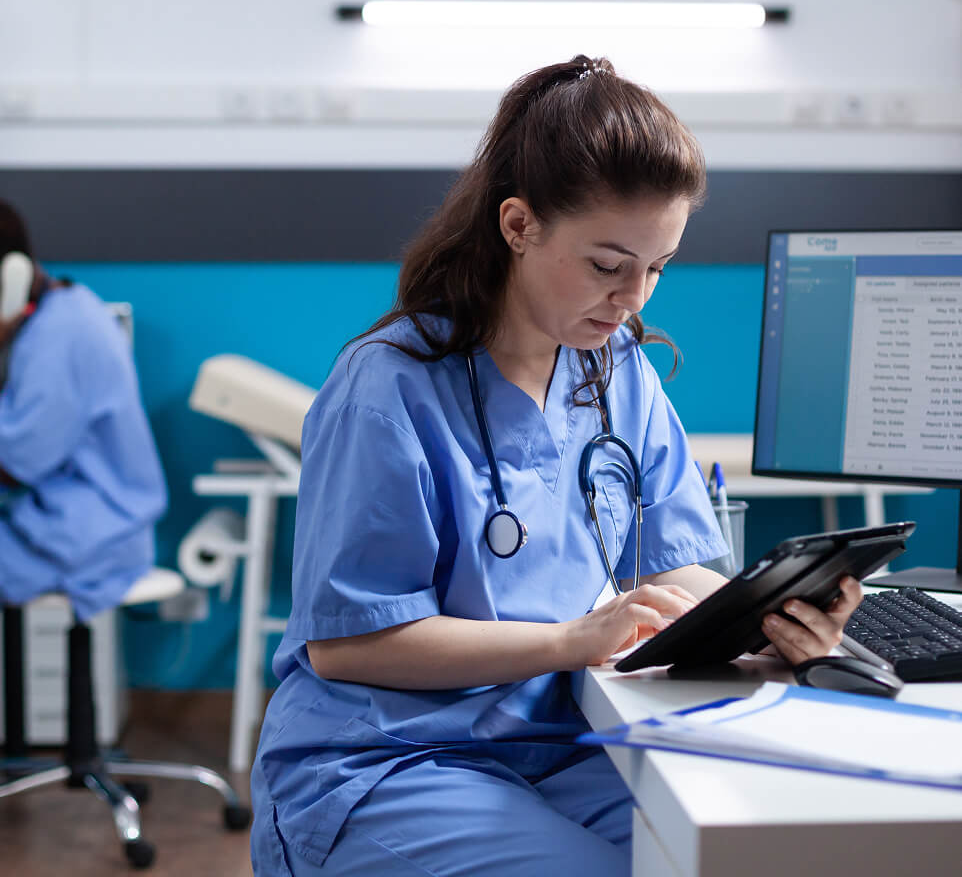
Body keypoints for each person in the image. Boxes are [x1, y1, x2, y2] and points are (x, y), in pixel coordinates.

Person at [250, 56, 863, 876]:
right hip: (388, 762)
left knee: (750, 850)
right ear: (518, 225)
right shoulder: (387, 389)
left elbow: (675, 568)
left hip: (561, 743)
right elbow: (350, 649)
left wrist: (771, 622)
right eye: (608, 266)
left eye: (656, 268)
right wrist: (572, 638)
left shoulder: (619, 374)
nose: (633, 298)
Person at [0, 171, 167, 662]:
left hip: (92, 534)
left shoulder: (57, 339)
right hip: (79, 520)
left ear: (11, 276)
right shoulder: (68, 311)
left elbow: (14, 466)